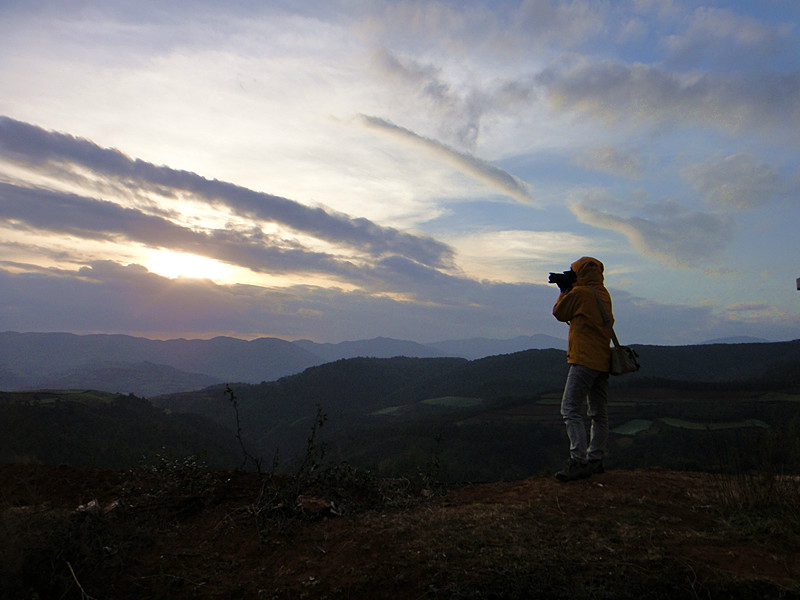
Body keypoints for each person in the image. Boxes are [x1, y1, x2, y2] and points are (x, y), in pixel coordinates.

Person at [552, 256, 613, 482]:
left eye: (573, 271)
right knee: (598, 413)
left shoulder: (580, 294)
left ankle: (578, 461)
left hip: (584, 359)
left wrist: (564, 289)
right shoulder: (602, 294)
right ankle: (595, 459)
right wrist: (572, 285)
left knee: (570, 409)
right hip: (602, 361)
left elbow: (559, 313)